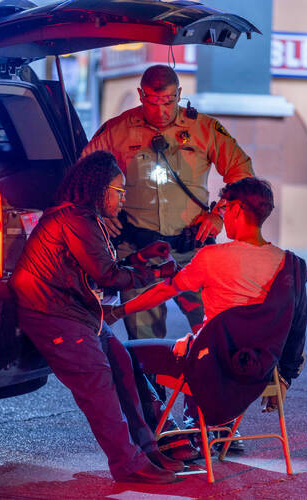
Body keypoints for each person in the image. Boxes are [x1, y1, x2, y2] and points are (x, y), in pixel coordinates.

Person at [82, 64, 254, 456]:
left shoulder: (204, 128)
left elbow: (242, 173)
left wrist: (219, 214)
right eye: (152, 101)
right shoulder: (118, 130)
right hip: (141, 254)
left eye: (168, 101)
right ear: (141, 95)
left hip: (193, 251)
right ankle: (162, 424)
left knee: (213, 333)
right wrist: (104, 218)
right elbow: (85, 173)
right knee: (146, 341)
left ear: (180, 96)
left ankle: (217, 420)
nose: (160, 111)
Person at [9, 150, 185, 484]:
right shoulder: (75, 219)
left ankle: (147, 450)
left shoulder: (83, 219)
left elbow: (103, 267)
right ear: (99, 188)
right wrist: (156, 274)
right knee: (99, 383)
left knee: (123, 363)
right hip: (54, 314)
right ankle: (127, 465)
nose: (123, 198)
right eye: (119, 191)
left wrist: (141, 256)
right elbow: (107, 276)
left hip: (79, 312)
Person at [105, 178, 307, 430]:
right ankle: (203, 428)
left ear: (237, 210)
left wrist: (117, 311)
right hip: (257, 372)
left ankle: (167, 430)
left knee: (117, 351)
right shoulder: (292, 265)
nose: (222, 217)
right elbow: (297, 329)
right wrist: (285, 377)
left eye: (224, 209)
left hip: (212, 367)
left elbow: (164, 291)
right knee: (197, 340)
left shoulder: (211, 258)